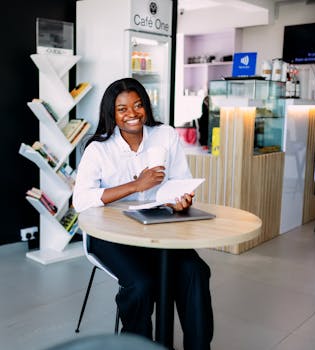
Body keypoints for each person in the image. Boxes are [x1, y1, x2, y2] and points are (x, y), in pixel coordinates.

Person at [72, 78, 213, 350]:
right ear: (111, 114)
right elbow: (81, 201)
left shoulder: (165, 135)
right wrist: (136, 185)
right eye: (122, 108)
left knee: (195, 271)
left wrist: (178, 200)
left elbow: (178, 180)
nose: (132, 114)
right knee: (141, 284)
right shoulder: (99, 148)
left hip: (157, 227)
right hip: (109, 234)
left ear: (145, 107)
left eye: (137, 105)